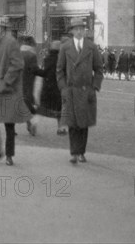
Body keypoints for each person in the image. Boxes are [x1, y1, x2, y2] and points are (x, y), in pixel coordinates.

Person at [0, 15, 30, 166]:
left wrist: (6, 82)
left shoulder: (10, 42)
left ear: (1, 28)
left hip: (7, 88)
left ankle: (9, 154)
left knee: (9, 123)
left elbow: (17, 64)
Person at [57, 17, 104, 165]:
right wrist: (63, 88)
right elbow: (59, 70)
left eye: (81, 29)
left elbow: (99, 69)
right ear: (71, 31)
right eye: (76, 29)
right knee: (72, 123)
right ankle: (74, 153)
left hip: (86, 91)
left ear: (84, 31)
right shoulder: (65, 47)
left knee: (83, 124)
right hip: (71, 90)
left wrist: (95, 86)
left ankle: (81, 152)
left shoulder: (91, 47)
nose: (79, 32)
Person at [18, 34, 45, 137]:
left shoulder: (17, 53)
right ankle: (31, 122)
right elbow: (34, 69)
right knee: (29, 104)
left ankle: (11, 129)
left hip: (16, 83)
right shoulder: (31, 55)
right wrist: (45, 73)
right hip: (28, 84)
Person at [37, 40, 66, 135]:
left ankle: (34, 123)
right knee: (59, 110)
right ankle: (60, 128)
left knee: (42, 109)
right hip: (57, 88)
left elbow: (45, 72)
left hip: (47, 87)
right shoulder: (62, 60)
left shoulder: (47, 59)